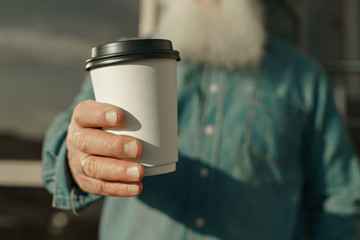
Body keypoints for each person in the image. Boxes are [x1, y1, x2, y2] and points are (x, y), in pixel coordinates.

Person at [42, 0, 360, 239]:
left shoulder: (302, 77)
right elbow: (62, 151)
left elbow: (341, 199)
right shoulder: (122, 63)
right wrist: (79, 161)